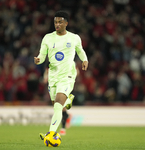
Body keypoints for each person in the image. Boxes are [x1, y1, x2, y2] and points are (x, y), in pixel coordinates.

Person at [34, 10, 88, 139]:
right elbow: (42, 55)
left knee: (58, 106)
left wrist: (85, 60)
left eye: (60, 22)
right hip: (53, 76)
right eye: (55, 22)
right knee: (56, 106)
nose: (57, 24)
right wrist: (38, 60)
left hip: (67, 75)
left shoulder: (74, 38)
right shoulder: (47, 38)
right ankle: (68, 100)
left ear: (66, 23)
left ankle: (51, 133)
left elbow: (80, 51)